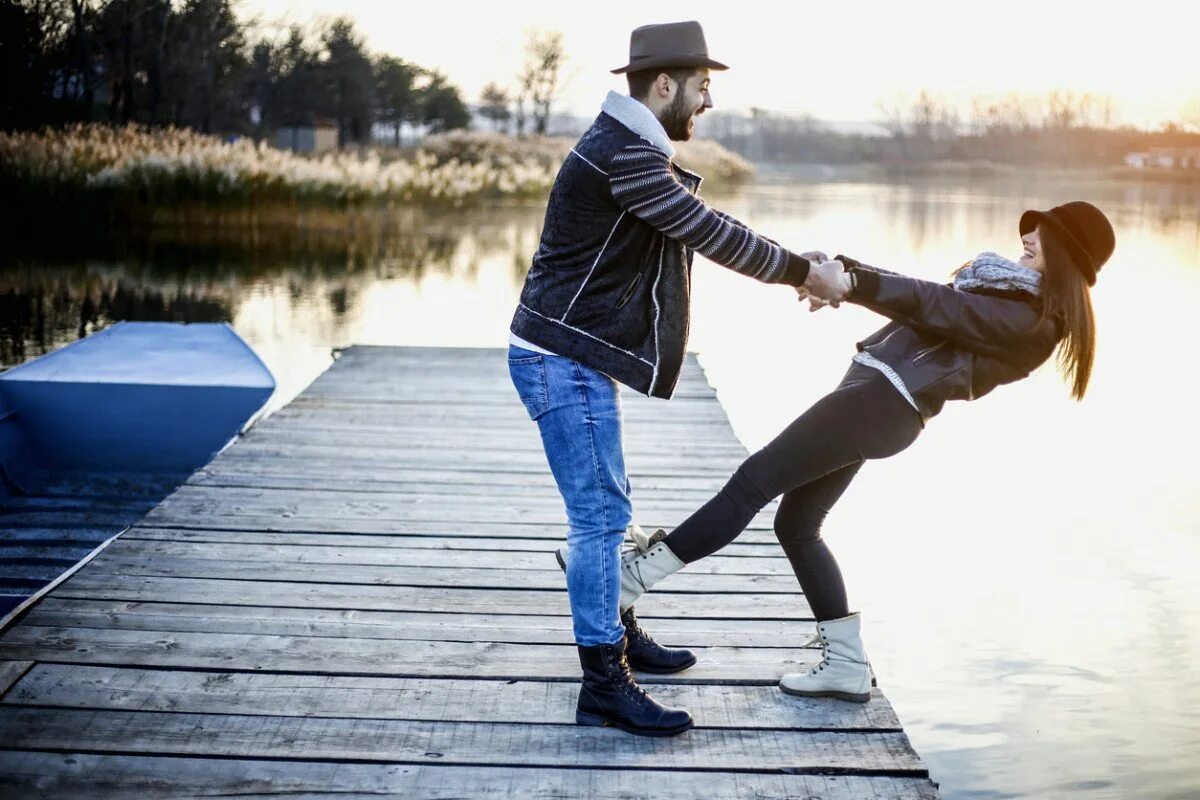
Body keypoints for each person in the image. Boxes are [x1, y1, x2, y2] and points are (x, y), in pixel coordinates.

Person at [600, 201, 1116, 703]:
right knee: (796, 527)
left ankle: (627, 582)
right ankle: (846, 665)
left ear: (1068, 254)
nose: (1027, 236)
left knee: (752, 482)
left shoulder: (1032, 323)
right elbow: (931, 296)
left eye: (1042, 232)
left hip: (881, 404)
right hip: (875, 402)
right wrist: (844, 271)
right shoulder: (1011, 297)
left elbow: (936, 305)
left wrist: (853, 284)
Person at [507, 20, 844, 737]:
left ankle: (617, 636)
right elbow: (710, 232)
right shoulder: (623, 156)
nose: (708, 101)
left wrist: (799, 260)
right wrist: (801, 271)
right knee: (599, 517)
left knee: (608, 509)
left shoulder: (625, 150)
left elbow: (703, 226)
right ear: (665, 85)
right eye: (701, 86)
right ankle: (604, 681)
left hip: (570, 356)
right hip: (561, 359)